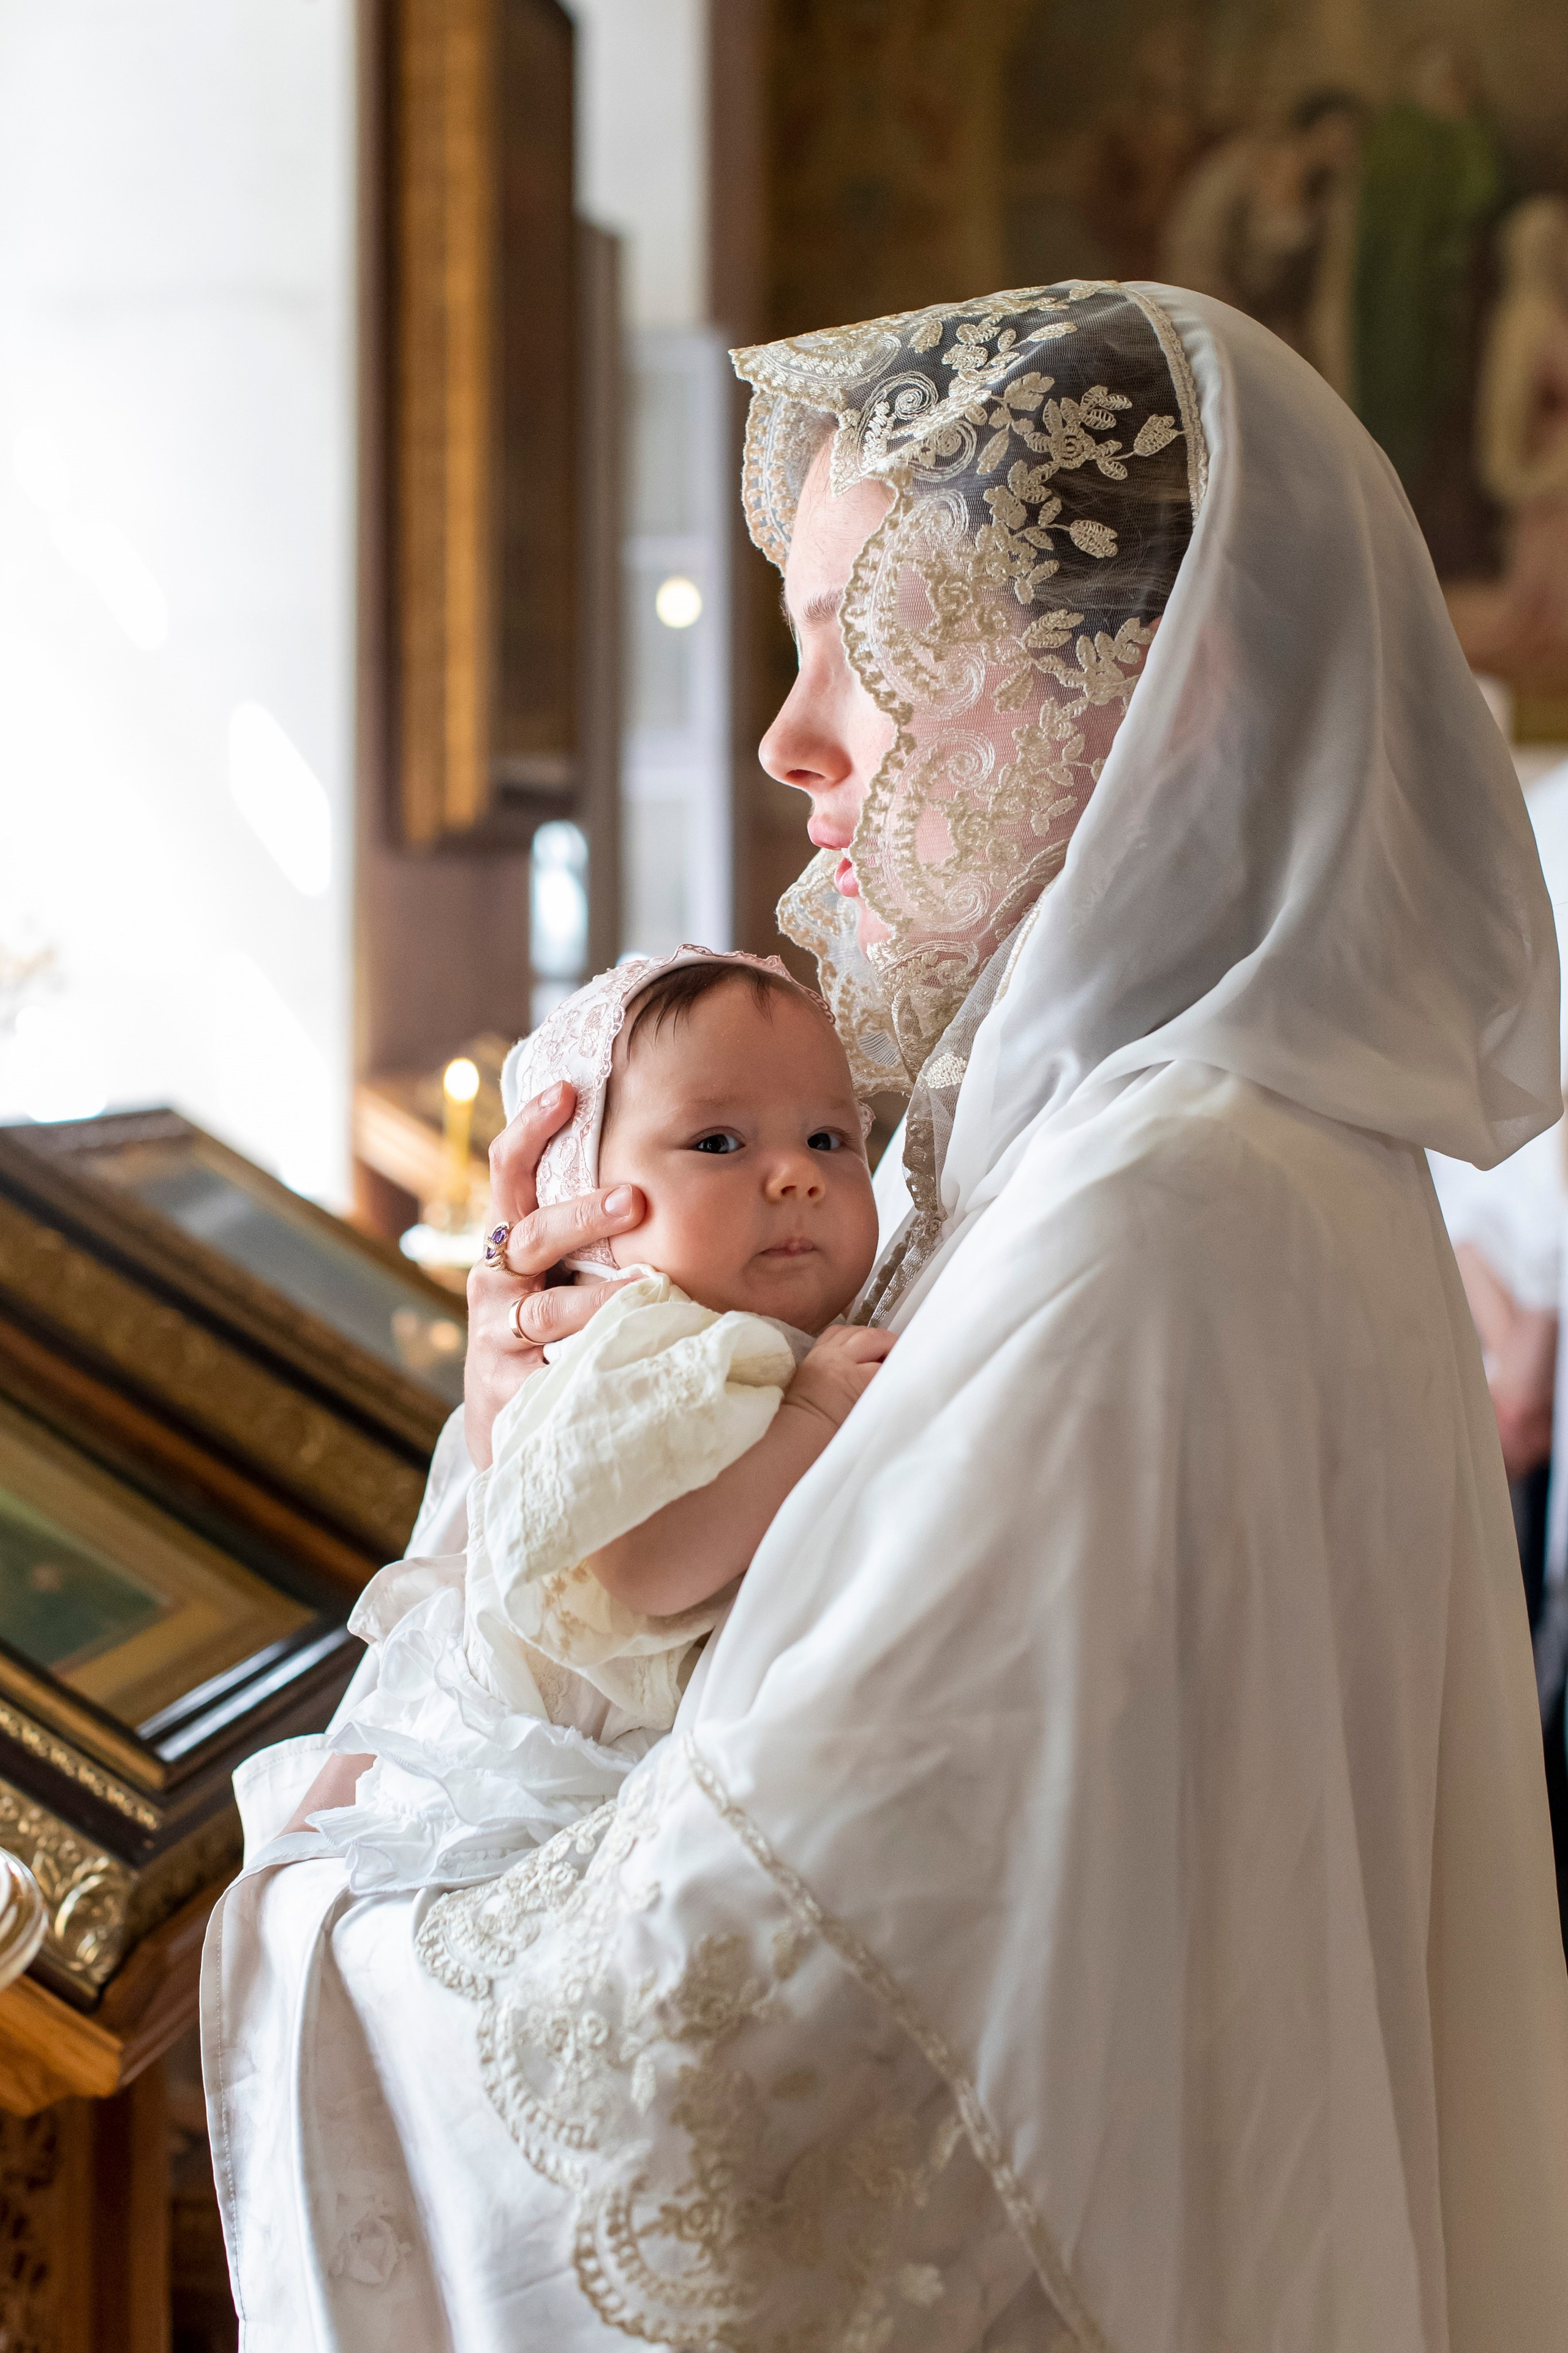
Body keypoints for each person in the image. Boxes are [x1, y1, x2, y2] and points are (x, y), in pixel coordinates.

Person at [205, 281, 1568, 2349]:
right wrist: (542, 1426)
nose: (790, 736)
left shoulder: (1158, 1207)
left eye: (875, 641)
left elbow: (730, 2012)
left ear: (1150, 687)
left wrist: (318, 1912)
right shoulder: (1122, 1141)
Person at [256, 947, 892, 1892]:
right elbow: (643, 1558)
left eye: (830, 1139)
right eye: (720, 1142)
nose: (795, 1174)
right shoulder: (645, 1346)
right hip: (541, 1781)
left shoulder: (752, 1338)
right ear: (590, 1210)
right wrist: (816, 1409)